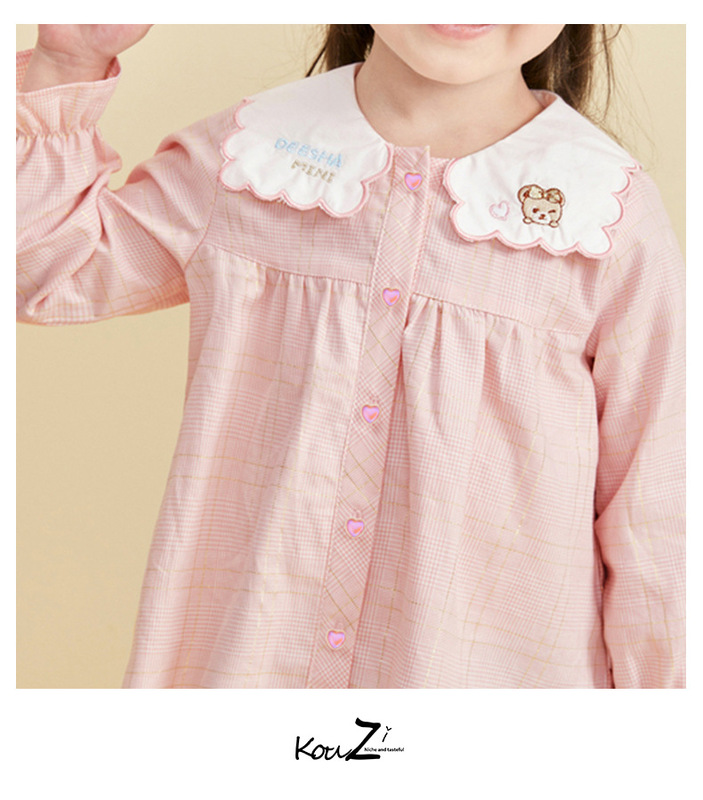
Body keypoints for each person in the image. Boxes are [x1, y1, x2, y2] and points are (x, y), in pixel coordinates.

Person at [16, 24, 685, 689]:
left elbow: (659, 524)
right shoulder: (251, 157)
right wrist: (68, 61)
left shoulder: (606, 218)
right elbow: (46, 269)